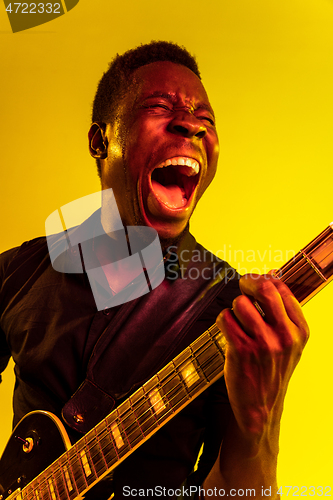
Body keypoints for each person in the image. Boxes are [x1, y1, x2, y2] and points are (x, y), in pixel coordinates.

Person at [0, 41, 309, 499]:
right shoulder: (19, 271)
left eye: (206, 120)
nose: (191, 125)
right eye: (159, 106)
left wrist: (260, 428)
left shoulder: (228, 311)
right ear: (99, 141)